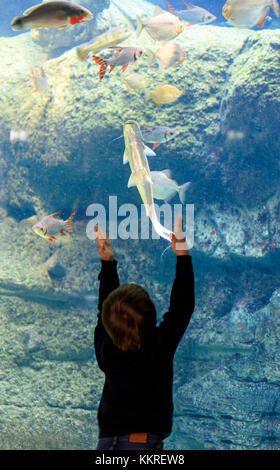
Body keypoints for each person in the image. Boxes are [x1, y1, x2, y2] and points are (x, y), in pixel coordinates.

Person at [93, 216, 195, 450]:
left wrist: (108, 263)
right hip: (144, 445)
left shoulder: (105, 350)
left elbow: (103, 311)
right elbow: (182, 307)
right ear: (152, 317)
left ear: (108, 326)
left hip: (107, 445)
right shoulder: (158, 347)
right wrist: (182, 254)